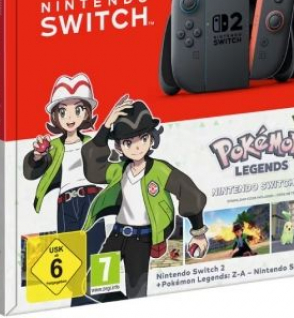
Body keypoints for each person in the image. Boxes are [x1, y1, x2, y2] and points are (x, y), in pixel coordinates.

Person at [82, 97, 208, 299]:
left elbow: (189, 192)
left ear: (151, 138)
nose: (137, 147)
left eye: (143, 138)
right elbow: (94, 168)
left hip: (142, 240)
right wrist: (106, 125)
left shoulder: (160, 170)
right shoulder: (118, 170)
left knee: (136, 294)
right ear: (119, 146)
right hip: (117, 235)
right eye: (128, 142)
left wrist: (198, 232)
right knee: (93, 287)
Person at [23, 73, 105, 305]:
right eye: (63, 111)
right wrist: (38, 155)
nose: (70, 117)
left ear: (86, 113)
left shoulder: (92, 142)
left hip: (91, 200)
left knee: (95, 248)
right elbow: (31, 172)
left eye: (77, 110)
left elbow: (108, 166)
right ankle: (78, 301)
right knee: (70, 256)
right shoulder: (53, 147)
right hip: (66, 204)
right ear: (55, 116)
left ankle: (91, 299)